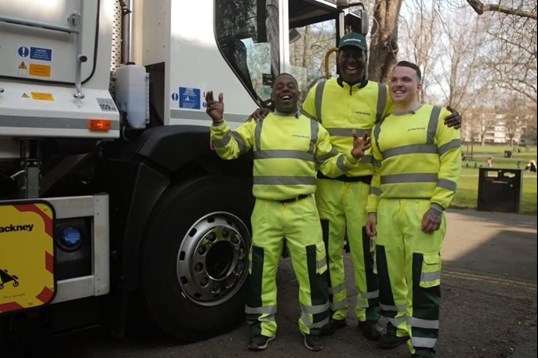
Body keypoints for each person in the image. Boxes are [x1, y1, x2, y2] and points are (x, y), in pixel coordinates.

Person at [251, 32, 461, 341]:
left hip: (363, 186)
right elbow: (294, 120)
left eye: (357, 55)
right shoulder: (319, 92)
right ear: (337, 58)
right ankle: (335, 312)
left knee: (366, 256)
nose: (351, 60)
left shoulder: (381, 93)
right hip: (326, 186)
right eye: (346, 54)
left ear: (365, 59)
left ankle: (368, 313)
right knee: (329, 253)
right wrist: (264, 112)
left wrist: (451, 116)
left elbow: (409, 108)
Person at [205, 73, 371, 352]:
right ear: (272, 92)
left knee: (312, 270)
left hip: (303, 208)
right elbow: (228, 150)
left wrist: (352, 156)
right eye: (280, 86)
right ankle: (262, 327)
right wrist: (219, 122)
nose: (285, 90)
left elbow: (329, 167)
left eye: (290, 87)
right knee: (261, 270)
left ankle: (313, 326)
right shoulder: (257, 125)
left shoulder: (314, 128)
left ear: (298, 93)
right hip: (266, 210)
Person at [365, 61, 461, 358]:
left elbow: (451, 164)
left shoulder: (440, 118)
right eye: (394, 79)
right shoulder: (380, 129)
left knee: (422, 280)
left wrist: (437, 206)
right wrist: (371, 211)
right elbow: (378, 174)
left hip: (423, 211)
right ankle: (397, 327)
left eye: (406, 79)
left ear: (419, 84)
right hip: (388, 211)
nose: (398, 84)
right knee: (389, 278)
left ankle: (422, 345)